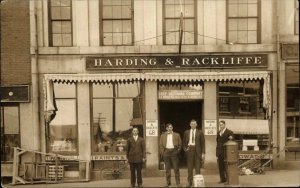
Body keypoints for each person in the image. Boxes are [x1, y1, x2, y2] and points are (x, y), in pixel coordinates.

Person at [183, 119, 205, 187]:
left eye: (194, 124)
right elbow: (184, 142)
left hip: (197, 151)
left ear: (196, 124)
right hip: (189, 150)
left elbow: (203, 143)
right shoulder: (186, 132)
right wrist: (185, 149)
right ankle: (190, 183)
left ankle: (197, 183)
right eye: (192, 124)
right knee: (190, 168)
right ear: (190, 125)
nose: (193, 125)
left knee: (198, 168)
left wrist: (203, 153)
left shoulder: (200, 132)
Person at [159, 123, 182, 187]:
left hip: (174, 151)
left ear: (172, 128)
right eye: (169, 127)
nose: (170, 128)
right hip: (166, 152)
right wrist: (163, 152)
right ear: (166, 128)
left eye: (171, 127)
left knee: (176, 168)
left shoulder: (177, 135)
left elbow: (180, 144)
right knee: (167, 169)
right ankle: (168, 183)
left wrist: (177, 151)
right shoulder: (162, 135)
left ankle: (178, 183)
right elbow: (160, 145)